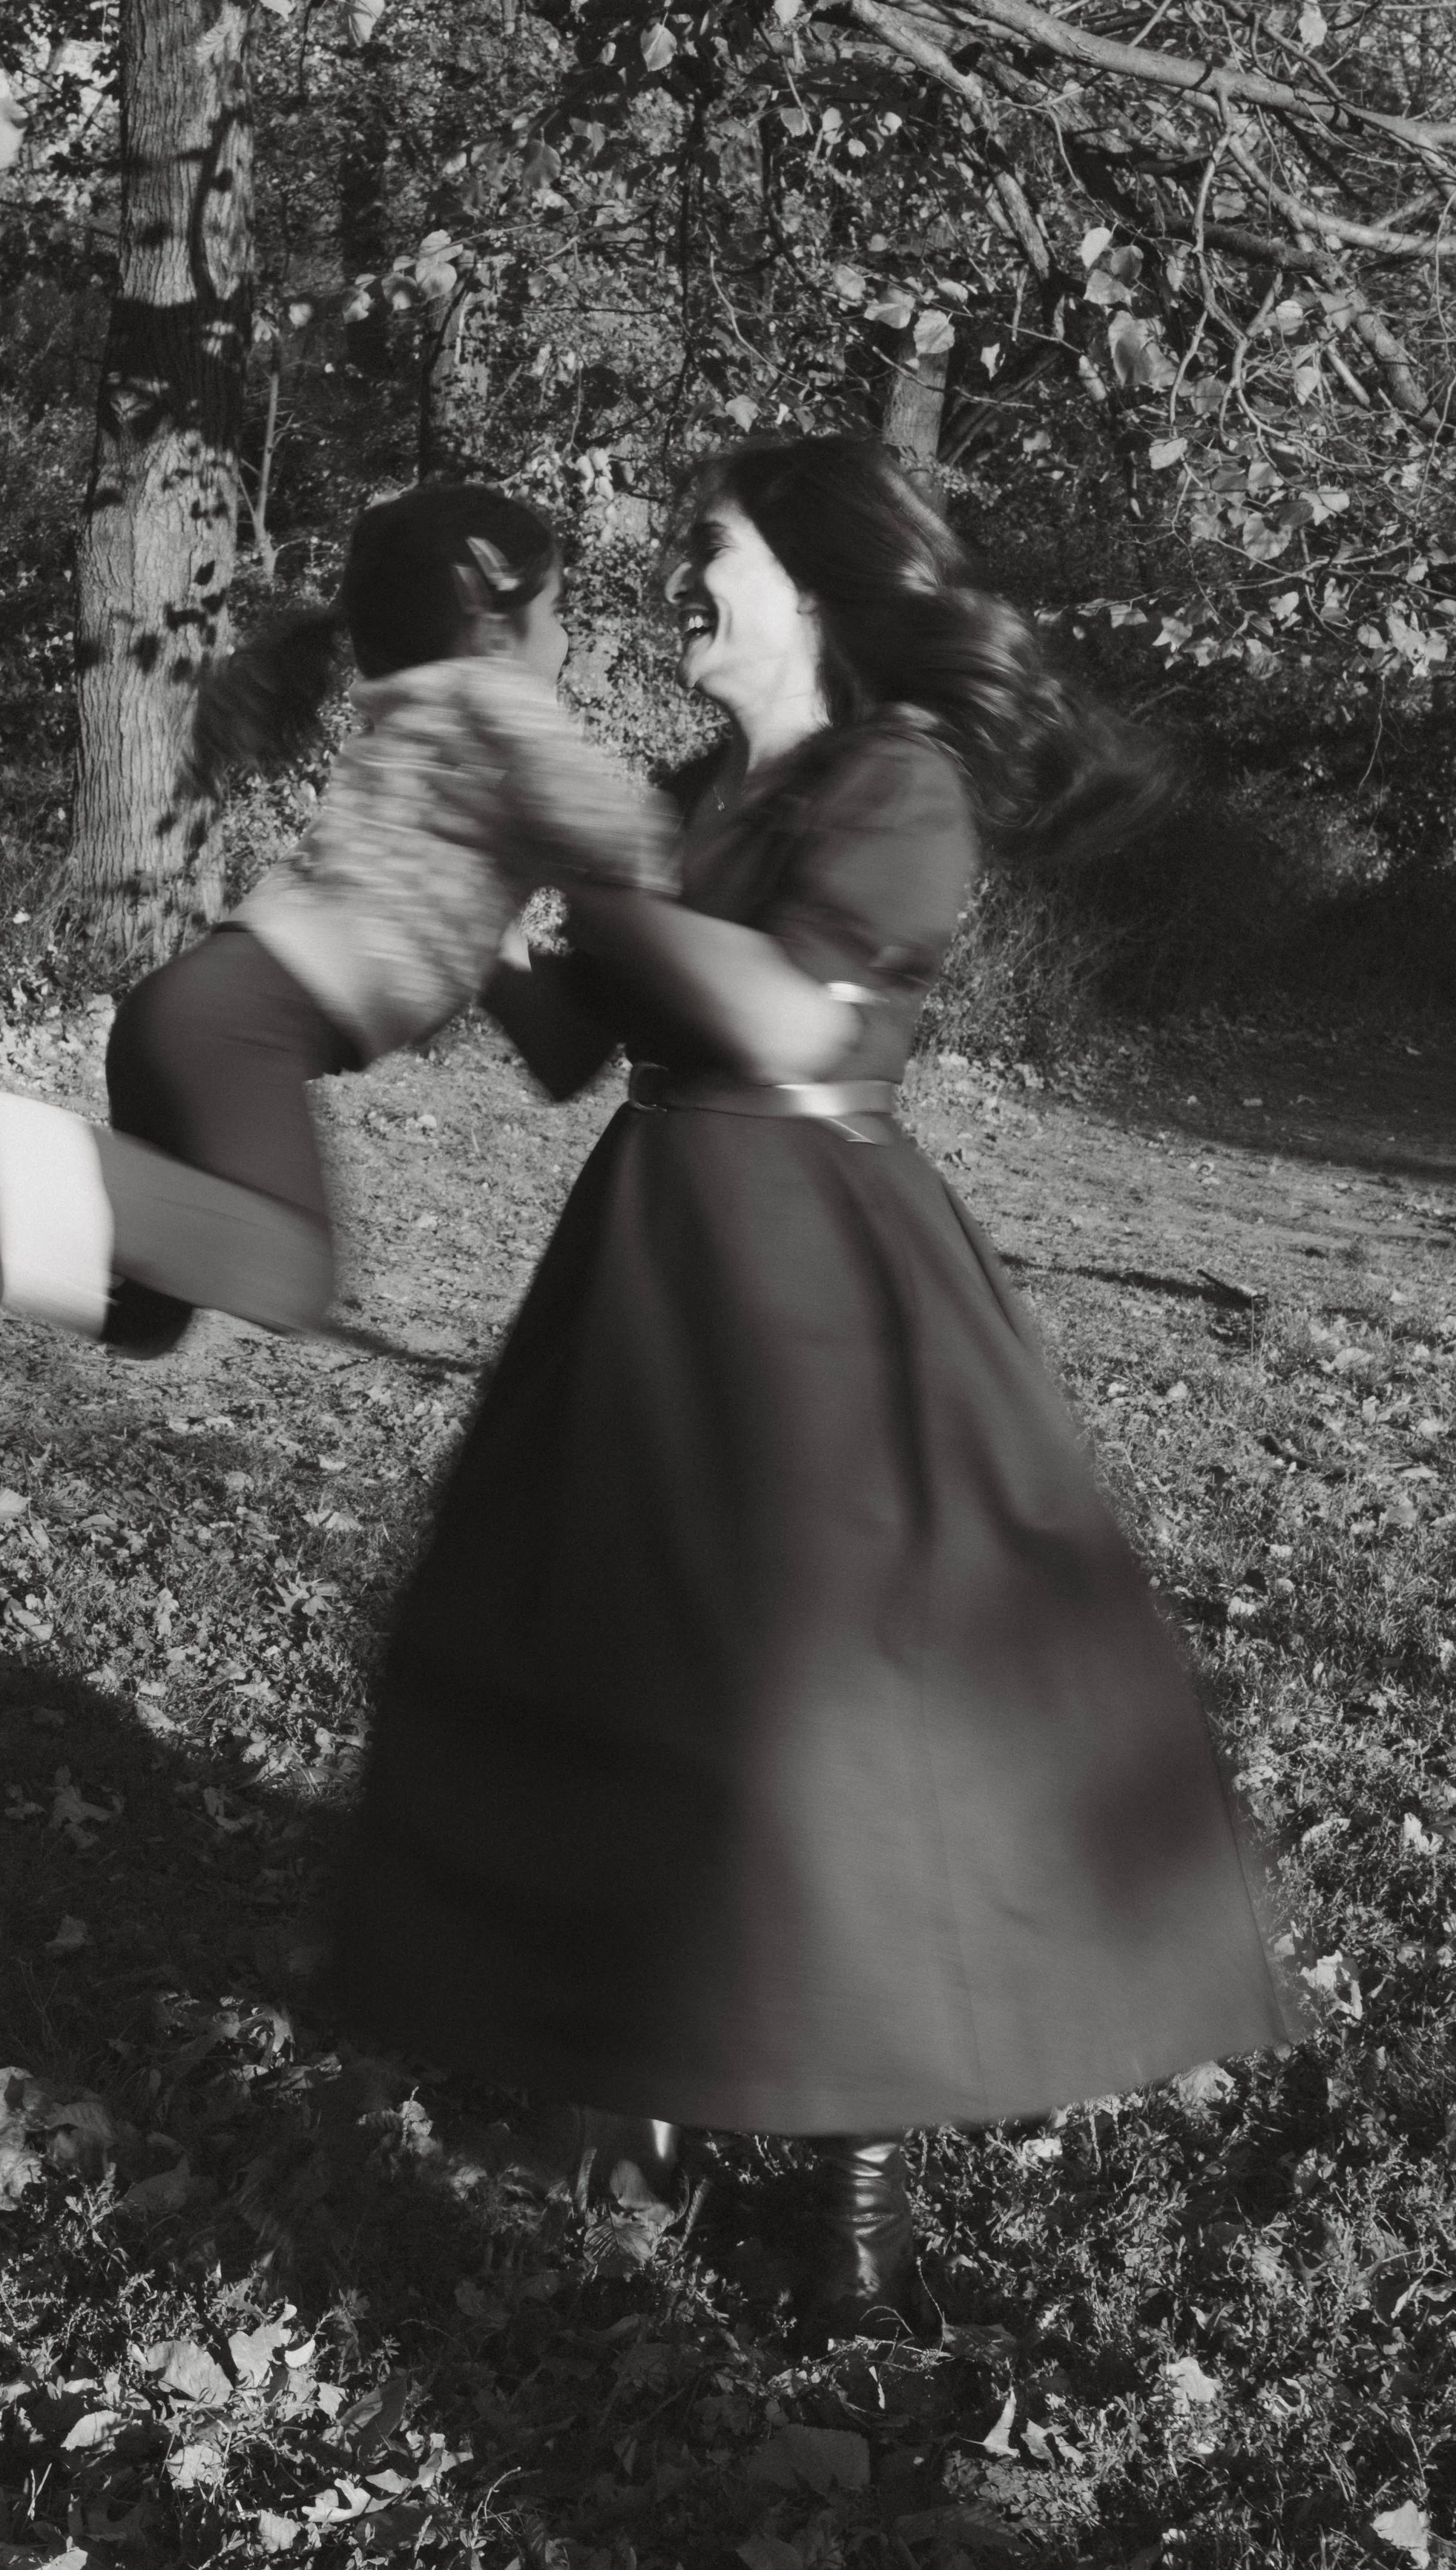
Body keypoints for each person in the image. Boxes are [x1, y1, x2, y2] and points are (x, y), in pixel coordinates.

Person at [331, 435, 1294, 2332]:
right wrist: (482, 923)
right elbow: (570, 1050)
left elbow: (783, 1015)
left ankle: (856, 2181)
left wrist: (594, 903)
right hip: (652, 1250)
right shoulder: (698, 789)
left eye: (714, 549)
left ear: (818, 590)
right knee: (610, 1651)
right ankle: (627, 2104)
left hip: (817, 1279)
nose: (681, 573)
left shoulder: (898, 781)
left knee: (832, 1711)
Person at [0, 485, 677, 1354]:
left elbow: (487, 929)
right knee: (291, 1275)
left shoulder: (422, 728)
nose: (569, 638)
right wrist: (683, 857)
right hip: (246, 1023)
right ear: (486, 600)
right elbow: (620, 834)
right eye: (559, 608)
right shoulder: (495, 702)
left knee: (145, 1315)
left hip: (201, 1011)